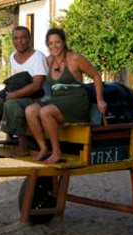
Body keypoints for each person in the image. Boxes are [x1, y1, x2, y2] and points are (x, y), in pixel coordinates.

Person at [25, 28, 107, 164]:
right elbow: (35, 77)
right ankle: (44, 148)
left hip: (76, 101)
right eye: (50, 43)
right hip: (57, 100)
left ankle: (57, 152)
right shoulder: (47, 61)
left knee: (46, 111)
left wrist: (100, 100)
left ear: (63, 42)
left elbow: (96, 75)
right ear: (47, 45)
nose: (54, 46)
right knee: (30, 110)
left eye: (57, 42)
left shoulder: (74, 58)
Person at [0, 26, 49, 156]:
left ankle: (22, 144)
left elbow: (36, 85)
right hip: (18, 95)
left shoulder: (38, 57)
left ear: (29, 39)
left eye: (23, 37)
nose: (20, 41)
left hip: (36, 97)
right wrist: (10, 93)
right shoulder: (13, 57)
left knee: (11, 104)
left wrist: (13, 95)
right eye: (16, 38)